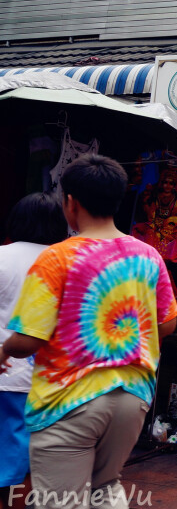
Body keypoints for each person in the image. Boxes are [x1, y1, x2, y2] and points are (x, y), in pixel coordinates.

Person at [0, 154, 177, 509]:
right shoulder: (147, 255)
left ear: (71, 203)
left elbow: (30, 339)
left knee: (60, 501)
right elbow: (168, 322)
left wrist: (4, 350)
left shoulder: (57, 258)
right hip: (133, 397)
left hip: (69, 399)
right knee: (105, 486)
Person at [0, 193, 67, 509]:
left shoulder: (2, 257)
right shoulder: (66, 264)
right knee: (28, 464)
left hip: (5, 373)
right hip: (47, 380)